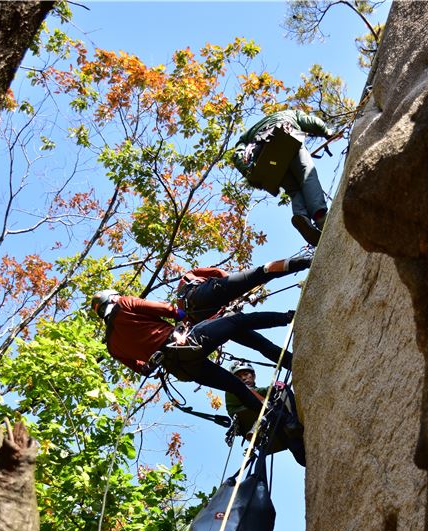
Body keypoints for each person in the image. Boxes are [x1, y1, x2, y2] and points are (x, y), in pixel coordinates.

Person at [91, 290, 295, 416]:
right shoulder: (124, 303)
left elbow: (143, 370)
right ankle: (288, 317)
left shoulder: (112, 347)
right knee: (237, 322)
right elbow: (165, 308)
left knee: (236, 387)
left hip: (181, 370)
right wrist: (182, 318)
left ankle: (275, 416)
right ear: (112, 299)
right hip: (183, 344)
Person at [232, 109, 333, 246]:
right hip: (286, 139)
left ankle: (302, 217)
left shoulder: (250, 132)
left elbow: (237, 153)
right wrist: (326, 131)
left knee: (294, 190)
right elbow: (309, 121)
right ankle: (320, 217)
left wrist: (248, 172)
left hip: (266, 157)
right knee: (307, 176)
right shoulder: (290, 113)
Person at [176, 251, 312, 323]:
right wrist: (240, 290)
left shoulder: (180, 305)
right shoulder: (189, 275)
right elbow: (218, 273)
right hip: (200, 293)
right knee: (263, 272)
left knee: (242, 325)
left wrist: (237, 298)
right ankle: (307, 260)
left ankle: (288, 317)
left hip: (200, 317)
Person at [225, 360, 306, 466]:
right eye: (239, 376)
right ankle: (292, 422)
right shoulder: (232, 388)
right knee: (279, 390)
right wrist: (273, 388)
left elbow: (258, 393)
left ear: (253, 376)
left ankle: (295, 437)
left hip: (271, 420)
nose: (243, 378)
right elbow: (249, 392)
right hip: (248, 415)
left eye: (246, 374)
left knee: (295, 446)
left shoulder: (259, 394)